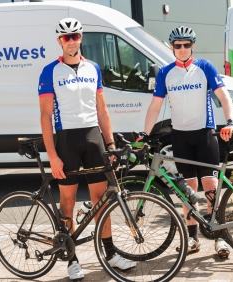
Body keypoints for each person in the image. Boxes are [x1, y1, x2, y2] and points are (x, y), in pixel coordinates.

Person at [38, 18, 136, 281]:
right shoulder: (50, 72)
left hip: (93, 138)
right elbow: (45, 117)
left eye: (75, 36)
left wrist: (111, 144)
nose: (71, 41)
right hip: (67, 140)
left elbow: (102, 111)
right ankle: (71, 259)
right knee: (67, 201)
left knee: (101, 200)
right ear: (59, 41)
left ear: (81, 38)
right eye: (66, 37)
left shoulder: (93, 68)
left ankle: (110, 253)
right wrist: (53, 156)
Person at [139, 26, 233, 258]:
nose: (182, 49)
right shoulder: (165, 73)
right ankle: (192, 239)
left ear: (193, 45)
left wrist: (230, 121)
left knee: (211, 188)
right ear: (171, 47)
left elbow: (223, 95)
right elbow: (155, 106)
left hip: (205, 135)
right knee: (187, 191)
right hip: (180, 137)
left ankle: (220, 238)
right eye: (178, 45)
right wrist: (144, 134)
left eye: (187, 45)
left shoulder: (204, 67)